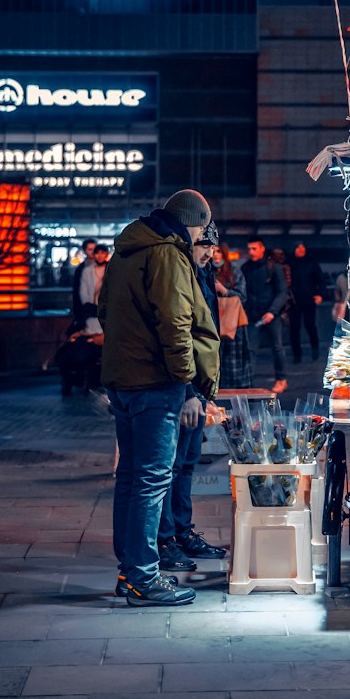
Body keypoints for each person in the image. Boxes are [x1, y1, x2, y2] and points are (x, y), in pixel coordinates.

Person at [99, 189, 221, 607]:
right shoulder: (168, 255)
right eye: (203, 227)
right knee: (152, 481)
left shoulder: (125, 252)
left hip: (123, 381)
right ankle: (143, 579)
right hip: (156, 384)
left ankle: (129, 571)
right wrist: (188, 384)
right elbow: (176, 323)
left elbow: (104, 312)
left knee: (131, 479)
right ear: (194, 223)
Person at [154, 227, 228, 571]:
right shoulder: (178, 271)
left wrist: (206, 390)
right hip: (182, 387)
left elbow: (206, 331)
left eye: (212, 246)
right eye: (204, 244)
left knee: (185, 465)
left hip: (199, 387)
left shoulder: (203, 273)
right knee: (171, 467)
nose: (210, 252)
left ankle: (181, 533)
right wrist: (188, 391)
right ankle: (166, 539)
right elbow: (177, 331)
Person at [241, 239, 290, 395]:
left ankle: (281, 379)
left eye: (254, 248)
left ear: (262, 249)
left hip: (270, 313)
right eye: (249, 248)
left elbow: (282, 292)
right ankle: (248, 381)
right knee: (250, 349)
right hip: (253, 314)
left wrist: (272, 311)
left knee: (277, 347)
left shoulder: (274, 267)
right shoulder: (246, 268)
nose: (251, 252)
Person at [209, 240, 253, 389]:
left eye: (218, 251)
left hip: (233, 324)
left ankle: (239, 393)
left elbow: (243, 297)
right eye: (213, 251)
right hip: (213, 322)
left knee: (234, 360)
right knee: (215, 358)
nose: (215, 255)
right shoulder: (206, 271)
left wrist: (224, 291)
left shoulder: (234, 272)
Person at [288, 242, 324, 363]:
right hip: (293, 301)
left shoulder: (311, 262)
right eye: (298, 247)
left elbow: (321, 279)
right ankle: (297, 355)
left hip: (309, 299)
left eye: (303, 246)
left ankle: (315, 351)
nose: (301, 249)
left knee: (310, 326)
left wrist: (320, 294)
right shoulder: (289, 263)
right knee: (294, 328)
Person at [54, 308, 104, 396]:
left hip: (88, 350)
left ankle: (80, 384)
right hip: (79, 351)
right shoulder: (84, 321)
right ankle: (70, 382)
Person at [78, 244, 109, 311]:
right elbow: (83, 290)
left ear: (106, 254)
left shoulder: (111, 269)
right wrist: (87, 305)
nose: (100, 256)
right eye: (97, 253)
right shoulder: (87, 271)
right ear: (94, 255)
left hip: (107, 306)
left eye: (103, 253)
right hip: (91, 306)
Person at [71, 239, 97, 316]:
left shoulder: (105, 266)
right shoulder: (80, 269)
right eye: (90, 249)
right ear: (84, 251)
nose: (93, 252)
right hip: (85, 308)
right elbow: (77, 290)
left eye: (95, 249)